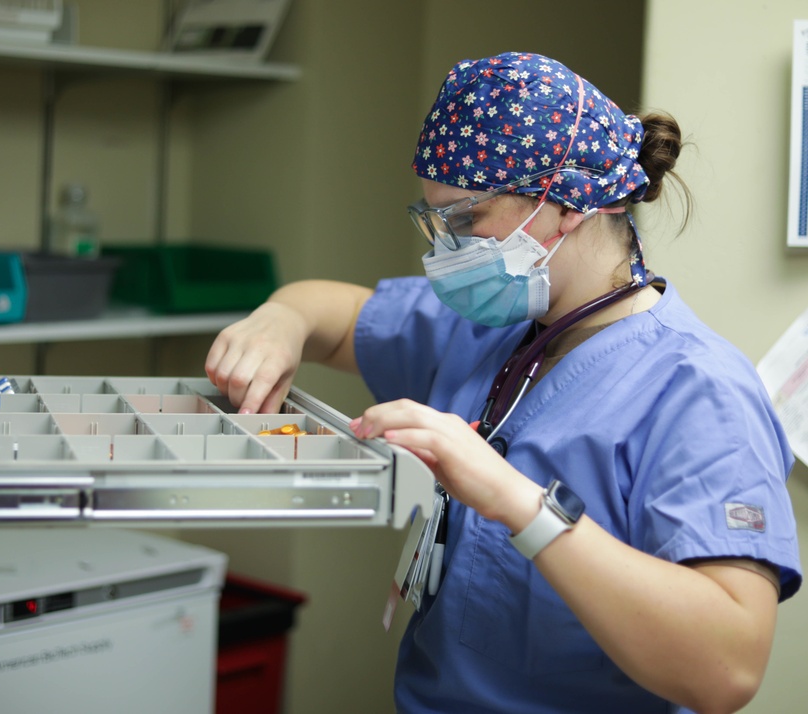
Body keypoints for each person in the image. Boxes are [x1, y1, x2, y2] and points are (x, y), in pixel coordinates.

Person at [204, 52, 802, 713]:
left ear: (567, 205)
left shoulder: (699, 391)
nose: (443, 250)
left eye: (465, 220)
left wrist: (518, 503)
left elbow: (728, 668)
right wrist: (280, 320)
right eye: (435, 221)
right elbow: (334, 317)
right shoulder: (495, 324)